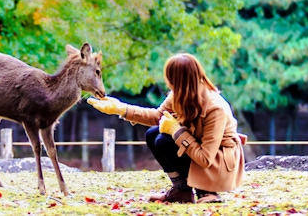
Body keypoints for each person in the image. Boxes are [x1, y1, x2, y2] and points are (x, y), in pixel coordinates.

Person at [87, 53, 245, 204]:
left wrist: (177, 131)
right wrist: (121, 108)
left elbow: (205, 158)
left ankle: (207, 191)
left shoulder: (215, 108)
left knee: (164, 140)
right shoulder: (179, 95)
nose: (168, 83)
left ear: (177, 80)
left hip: (219, 165)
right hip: (201, 153)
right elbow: (157, 117)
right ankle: (181, 190)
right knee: (153, 134)